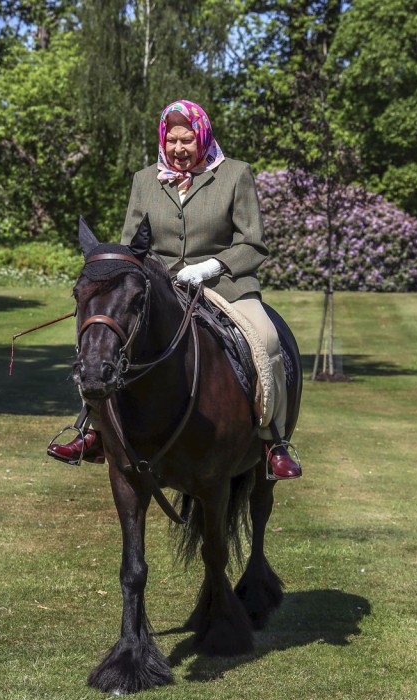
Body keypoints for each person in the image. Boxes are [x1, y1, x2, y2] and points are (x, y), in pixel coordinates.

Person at [48, 99, 301, 480]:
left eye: (187, 140)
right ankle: (94, 430)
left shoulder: (234, 175)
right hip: (160, 286)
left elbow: (253, 243)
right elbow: (132, 245)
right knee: (106, 339)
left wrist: (211, 267)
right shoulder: (144, 180)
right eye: (172, 140)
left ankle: (272, 441)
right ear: (163, 140)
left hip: (225, 284)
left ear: (202, 136)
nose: (180, 149)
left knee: (265, 338)